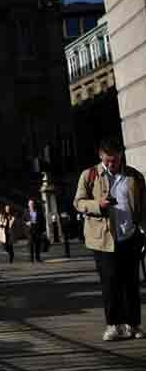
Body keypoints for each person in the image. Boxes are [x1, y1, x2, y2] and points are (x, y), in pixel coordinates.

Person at [74, 138, 145, 341]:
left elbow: (143, 208)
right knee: (110, 283)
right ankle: (114, 325)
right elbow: (78, 202)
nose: (111, 165)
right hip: (103, 240)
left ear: (121, 155)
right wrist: (99, 205)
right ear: (101, 156)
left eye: (114, 160)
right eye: (108, 161)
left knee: (131, 283)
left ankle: (133, 324)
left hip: (129, 237)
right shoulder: (90, 175)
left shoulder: (134, 177)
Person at [23, 197, 46, 263]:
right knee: (30, 244)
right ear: (28, 204)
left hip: (37, 229)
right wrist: (27, 223)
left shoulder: (38, 211)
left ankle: (38, 258)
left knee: (37, 244)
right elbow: (23, 220)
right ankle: (31, 259)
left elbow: (42, 221)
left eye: (32, 203)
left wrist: (43, 230)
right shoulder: (26, 211)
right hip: (29, 230)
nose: (31, 205)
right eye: (30, 204)